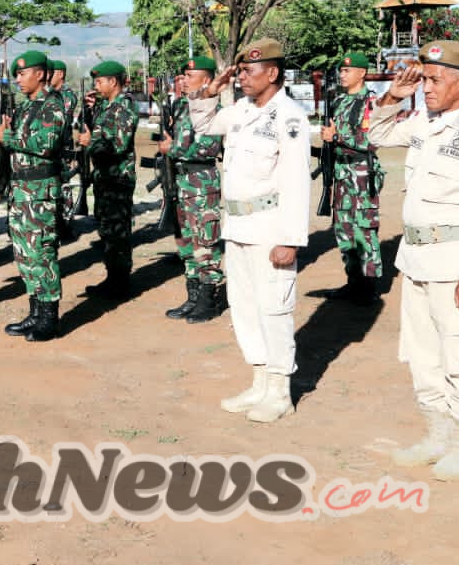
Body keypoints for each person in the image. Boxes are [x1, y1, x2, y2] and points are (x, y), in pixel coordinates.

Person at [366, 40, 459, 481]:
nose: (425, 87)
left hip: (456, 262)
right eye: (424, 79)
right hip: (416, 260)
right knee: (424, 354)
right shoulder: (425, 124)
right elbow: (375, 134)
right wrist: (394, 96)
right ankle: (436, 433)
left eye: (434, 79)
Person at [188, 38, 311, 424]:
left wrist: (290, 239)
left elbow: (296, 182)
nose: (241, 77)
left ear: (272, 73)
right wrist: (210, 90)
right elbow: (203, 124)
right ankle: (259, 381)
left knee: (275, 309)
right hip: (237, 225)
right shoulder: (240, 109)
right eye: (239, 70)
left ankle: (279, 390)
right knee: (244, 307)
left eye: (248, 71)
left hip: (270, 227)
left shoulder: (289, 117)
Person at [0, 50, 66, 341]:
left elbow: (45, 143)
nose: (18, 80)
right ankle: (35, 312)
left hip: (40, 193)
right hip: (21, 191)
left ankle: (49, 318)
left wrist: (7, 137)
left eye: (23, 74)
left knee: (42, 254)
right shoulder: (26, 107)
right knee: (25, 254)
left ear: (40, 74)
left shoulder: (52, 105)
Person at [160, 57, 226, 323]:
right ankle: (194, 296)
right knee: (186, 241)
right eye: (184, 76)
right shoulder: (181, 107)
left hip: (201, 180)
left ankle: (209, 299)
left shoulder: (214, 110)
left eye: (191, 75)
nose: (184, 80)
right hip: (180, 179)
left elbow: (208, 147)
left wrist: (171, 149)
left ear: (207, 80)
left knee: (205, 241)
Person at [321, 51, 386, 304]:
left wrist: (337, 138)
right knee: (344, 230)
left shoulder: (371, 102)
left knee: (364, 230)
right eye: (341, 70)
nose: (342, 74)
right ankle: (353, 282)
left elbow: (372, 141)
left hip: (361, 175)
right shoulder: (337, 101)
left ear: (362, 73)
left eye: (348, 70)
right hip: (341, 174)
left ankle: (368, 288)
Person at [76, 60, 139, 297]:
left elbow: (117, 144)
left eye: (100, 81)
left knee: (117, 232)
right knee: (107, 230)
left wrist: (90, 141)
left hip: (117, 179)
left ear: (113, 82)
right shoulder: (107, 107)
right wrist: (90, 111)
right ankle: (113, 277)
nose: (97, 85)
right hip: (104, 177)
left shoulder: (123, 107)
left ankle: (120, 283)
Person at [50, 60, 81, 242]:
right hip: (54, 148)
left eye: (51, 72)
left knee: (65, 185)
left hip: (64, 148)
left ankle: (67, 224)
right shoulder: (52, 95)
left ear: (60, 74)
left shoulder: (67, 95)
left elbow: (60, 113)